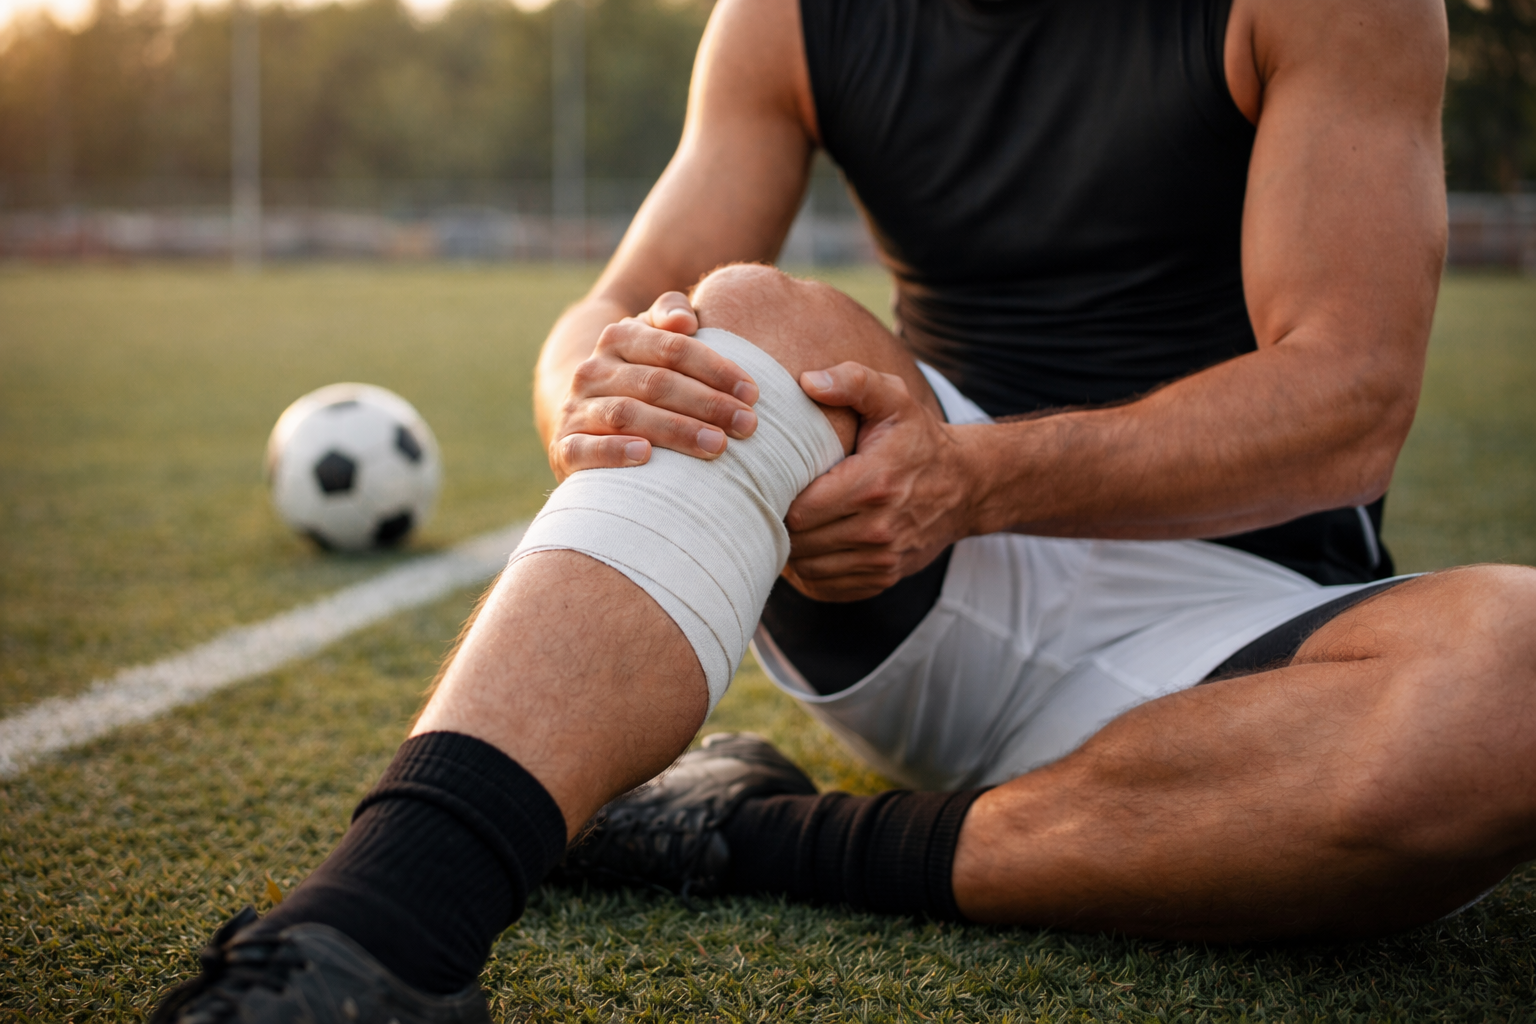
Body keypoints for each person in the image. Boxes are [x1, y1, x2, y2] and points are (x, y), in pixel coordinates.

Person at [151, 0, 1536, 1020]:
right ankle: (372, 934)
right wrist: (604, 388)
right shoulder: (789, 19)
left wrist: (981, 479)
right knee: (725, 318)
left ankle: (749, 836)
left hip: (1244, 628)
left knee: (1514, 685)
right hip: (910, 576)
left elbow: (1349, 400)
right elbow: (606, 311)